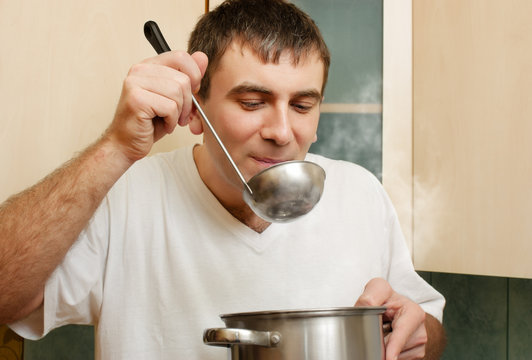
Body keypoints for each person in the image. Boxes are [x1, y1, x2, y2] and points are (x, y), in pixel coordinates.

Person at [0, 0, 445, 359]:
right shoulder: (125, 197)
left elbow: (426, 327)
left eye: (303, 105)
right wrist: (115, 148)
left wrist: (414, 333)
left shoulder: (360, 192)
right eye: (253, 102)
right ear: (195, 109)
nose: (282, 132)